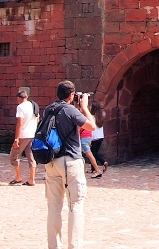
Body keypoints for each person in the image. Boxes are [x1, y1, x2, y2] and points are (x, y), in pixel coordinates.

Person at [45, 80, 97, 249]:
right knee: (75, 204)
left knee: (53, 206)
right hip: (69, 161)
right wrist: (85, 107)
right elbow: (92, 126)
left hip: (51, 161)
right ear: (72, 95)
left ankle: (54, 246)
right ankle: (75, 246)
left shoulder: (49, 109)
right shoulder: (70, 110)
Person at [9, 90, 38, 186]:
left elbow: (20, 123)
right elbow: (38, 119)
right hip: (32, 134)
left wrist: (16, 139)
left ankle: (18, 177)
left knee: (14, 156)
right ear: (27, 97)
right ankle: (32, 179)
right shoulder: (34, 105)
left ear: (18, 98)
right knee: (30, 156)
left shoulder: (20, 107)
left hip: (23, 135)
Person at [90, 101, 107, 175]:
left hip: (94, 137)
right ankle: (93, 169)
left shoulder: (92, 117)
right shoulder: (102, 115)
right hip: (100, 136)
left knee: (93, 153)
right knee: (94, 153)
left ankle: (103, 161)